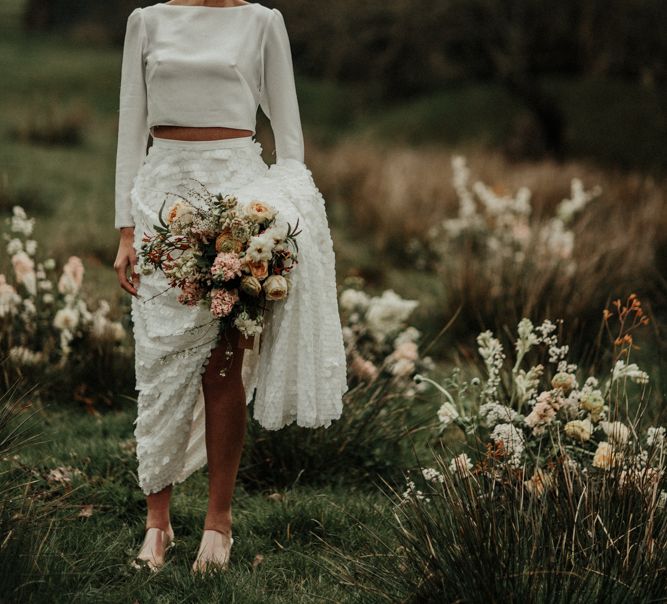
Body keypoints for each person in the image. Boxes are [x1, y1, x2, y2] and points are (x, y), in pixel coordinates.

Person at [112, 0, 348, 574]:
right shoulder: (146, 21)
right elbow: (129, 129)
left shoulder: (263, 22)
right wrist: (124, 229)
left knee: (223, 365)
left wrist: (282, 218)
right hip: (160, 199)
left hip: (236, 202)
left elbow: (288, 137)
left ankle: (218, 525)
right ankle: (157, 524)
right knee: (159, 366)